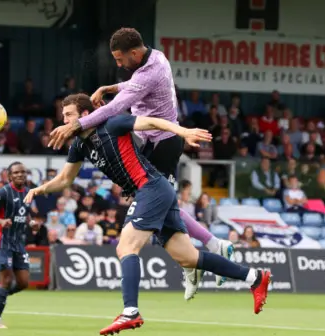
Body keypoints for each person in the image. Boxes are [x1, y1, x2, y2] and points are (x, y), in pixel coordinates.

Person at [26, 94, 270, 336]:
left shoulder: (112, 124)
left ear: (86, 115)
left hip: (150, 188)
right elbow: (65, 179)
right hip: (156, 192)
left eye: (68, 114)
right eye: (63, 114)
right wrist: (40, 189)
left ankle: (130, 311)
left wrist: (182, 132)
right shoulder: (79, 145)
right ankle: (254, 277)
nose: (64, 119)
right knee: (188, 258)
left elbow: (152, 122)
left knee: (126, 248)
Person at [48, 28, 235, 287]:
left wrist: (75, 125)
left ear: (134, 52)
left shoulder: (151, 71)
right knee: (161, 203)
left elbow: (115, 107)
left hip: (164, 141)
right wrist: (109, 86)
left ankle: (207, 250)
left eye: (120, 58)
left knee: (158, 199)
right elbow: (131, 87)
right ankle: (201, 254)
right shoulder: (154, 58)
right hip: (150, 141)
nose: (118, 63)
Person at [0, 162, 33, 328]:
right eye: (16, 172)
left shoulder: (28, 192)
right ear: (10, 176)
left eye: (23, 172)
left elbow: (25, 214)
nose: (20, 175)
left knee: (23, 283)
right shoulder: (3, 192)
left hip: (18, 242)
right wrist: (1, 221)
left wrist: (32, 224)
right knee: (6, 280)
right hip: (2, 241)